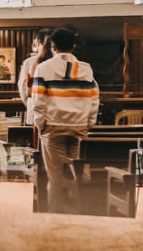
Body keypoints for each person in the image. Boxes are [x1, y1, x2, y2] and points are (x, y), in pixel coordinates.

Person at [29, 28, 100, 204]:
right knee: (80, 176)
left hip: (53, 128)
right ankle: (79, 212)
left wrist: (41, 125)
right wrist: (88, 124)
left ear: (53, 46)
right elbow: (94, 100)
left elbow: (39, 101)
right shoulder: (86, 69)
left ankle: (55, 216)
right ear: (73, 46)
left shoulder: (43, 68)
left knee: (55, 179)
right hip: (79, 128)